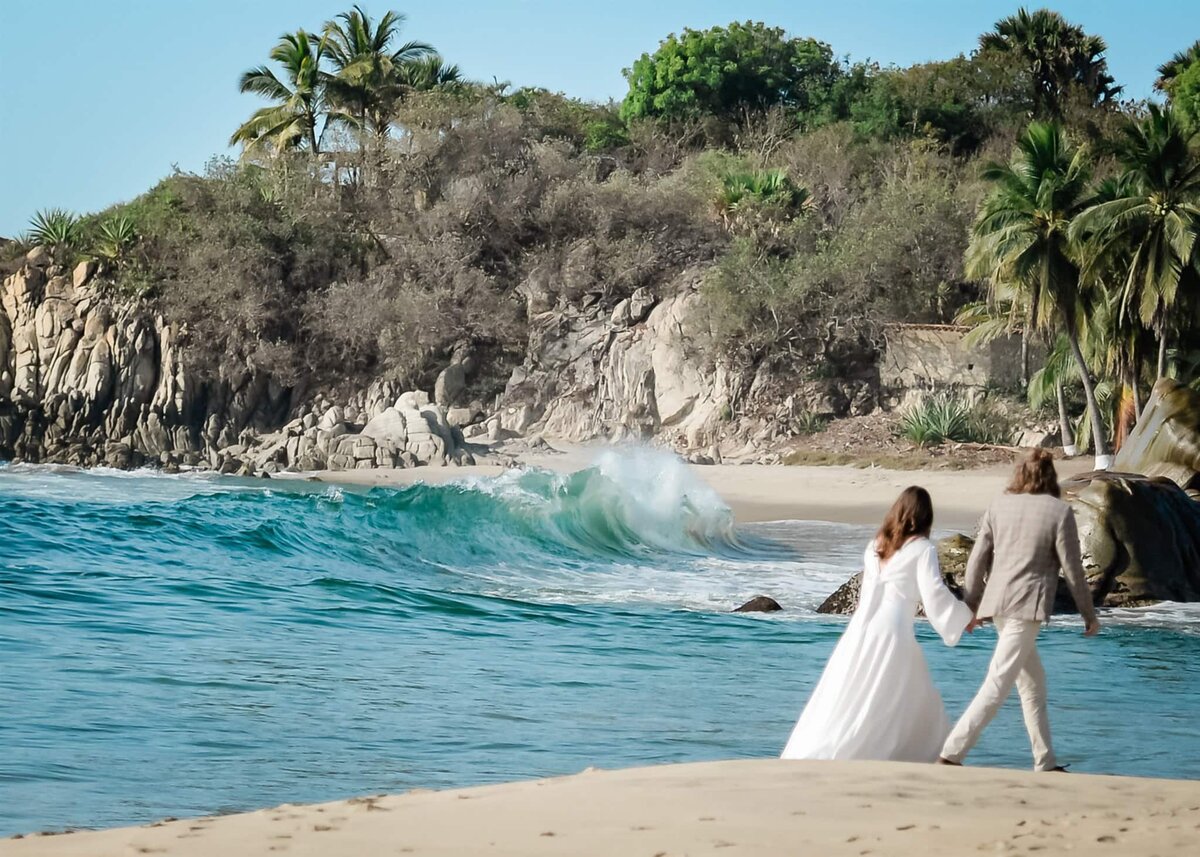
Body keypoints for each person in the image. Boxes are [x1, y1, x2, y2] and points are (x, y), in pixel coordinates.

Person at [781, 486, 974, 762]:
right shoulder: (922, 549)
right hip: (893, 629)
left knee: (850, 690)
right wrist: (962, 617)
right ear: (925, 517)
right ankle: (916, 753)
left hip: (861, 627)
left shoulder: (875, 546)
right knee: (899, 692)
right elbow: (934, 594)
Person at [939, 449, 1101, 771]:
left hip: (999, 604)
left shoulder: (998, 506)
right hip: (1027, 606)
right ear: (1050, 476)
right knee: (997, 685)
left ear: (1020, 475)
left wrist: (971, 605)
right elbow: (1072, 570)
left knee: (1032, 685)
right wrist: (1088, 613)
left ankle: (1045, 760)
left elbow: (977, 560)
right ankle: (951, 754)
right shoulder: (1059, 512)